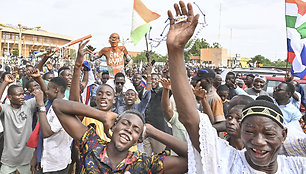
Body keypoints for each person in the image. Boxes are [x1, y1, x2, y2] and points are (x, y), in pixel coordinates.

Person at [166, 1, 305, 173]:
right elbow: (189, 119)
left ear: (283, 135)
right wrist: (176, 50)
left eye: (269, 134)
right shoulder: (225, 159)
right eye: (249, 131)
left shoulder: (297, 167)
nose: (259, 141)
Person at [52, 99, 188, 173]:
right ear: (114, 126)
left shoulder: (145, 164)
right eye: (125, 123)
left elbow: (190, 158)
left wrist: (152, 131)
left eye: (136, 129)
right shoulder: (91, 144)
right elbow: (58, 106)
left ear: (138, 140)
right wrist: (102, 115)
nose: (129, 129)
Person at [31, 77, 72, 174]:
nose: (46, 91)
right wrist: (36, 156)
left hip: (56, 165)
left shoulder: (64, 108)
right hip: (44, 161)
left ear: (56, 90)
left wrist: (40, 105)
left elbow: (46, 133)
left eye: (48, 89)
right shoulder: (52, 103)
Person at [0, 74, 39, 174]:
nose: (22, 97)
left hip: (27, 158)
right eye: (19, 95)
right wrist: (5, 83)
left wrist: (38, 78)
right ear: (9, 97)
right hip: (9, 159)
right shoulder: (5, 109)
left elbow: (45, 95)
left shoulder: (28, 105)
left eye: (23, 94)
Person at [144, 73, 172, 155]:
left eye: (155, 79)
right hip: (146, 132)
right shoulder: (145, 93)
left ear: (159, 80)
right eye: (151, 78)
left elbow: (170, 91)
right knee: (146, 159)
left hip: (158, 131)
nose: (153, 81)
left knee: (159, 159)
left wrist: (166, 87)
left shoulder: (162, 91)